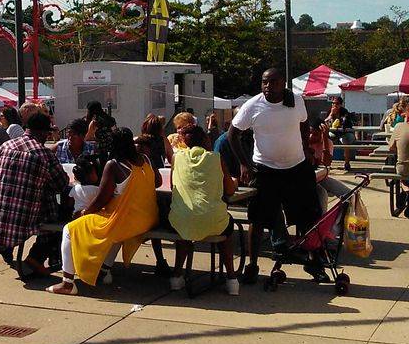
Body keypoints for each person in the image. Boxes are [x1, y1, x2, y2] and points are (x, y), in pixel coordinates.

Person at [228, 67, 319, 283]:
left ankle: (313, 260)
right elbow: (233, 134)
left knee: (308, 217)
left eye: (273, 82)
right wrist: (244, 163)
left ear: (283, 83)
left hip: (296, 168)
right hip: (266, 170)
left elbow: (304, 124)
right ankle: (252, 265)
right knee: (258, 220)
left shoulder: (296, 100)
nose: (268, 87)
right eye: (264, 82)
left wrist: (306, 148)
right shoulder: (253, 105)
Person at [48, 128, 158, 295]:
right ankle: (104, 271)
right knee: (114, 231)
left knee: (69, 230)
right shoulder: (145, 159)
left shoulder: (114, 165)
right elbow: (157, 182)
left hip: (126, 219)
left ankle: (68, 283)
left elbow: (101, 199)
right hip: (148, 217)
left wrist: (85, 212)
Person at [0, 110, 70, 276]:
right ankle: (36, 256)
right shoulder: (43, 153)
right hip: (23, 220)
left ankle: (5, 247)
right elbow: (61, 184)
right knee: (58, 211)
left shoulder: (3, 147)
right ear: (44, 132)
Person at [168, 124, 239, 296]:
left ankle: (177, 276)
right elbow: (229, 190)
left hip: (182, 218)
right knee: (226, 231)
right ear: (205, 140)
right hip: (213, 219)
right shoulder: (216, 158)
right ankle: (231, 279)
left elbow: (172, 186)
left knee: (185, 226)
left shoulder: (177, 159)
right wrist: (235, 182)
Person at [323, 95, 356, 171]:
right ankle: (327, 163)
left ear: (340, 104)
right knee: (326, 140)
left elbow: (346, 123)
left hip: (344, 133)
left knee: (346, 141)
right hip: (334, 132)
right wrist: (331, 114)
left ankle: (347, 163)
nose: (334, 105)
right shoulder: (330, 111)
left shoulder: (344, 111)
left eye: (336, 103)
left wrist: (340, 120)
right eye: (333, 103)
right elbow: (325, 122)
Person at [84, 101, 114, 166]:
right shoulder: (110, 120)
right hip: (111, 150)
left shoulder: (94, 122)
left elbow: (88, 138)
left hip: (99, 153)